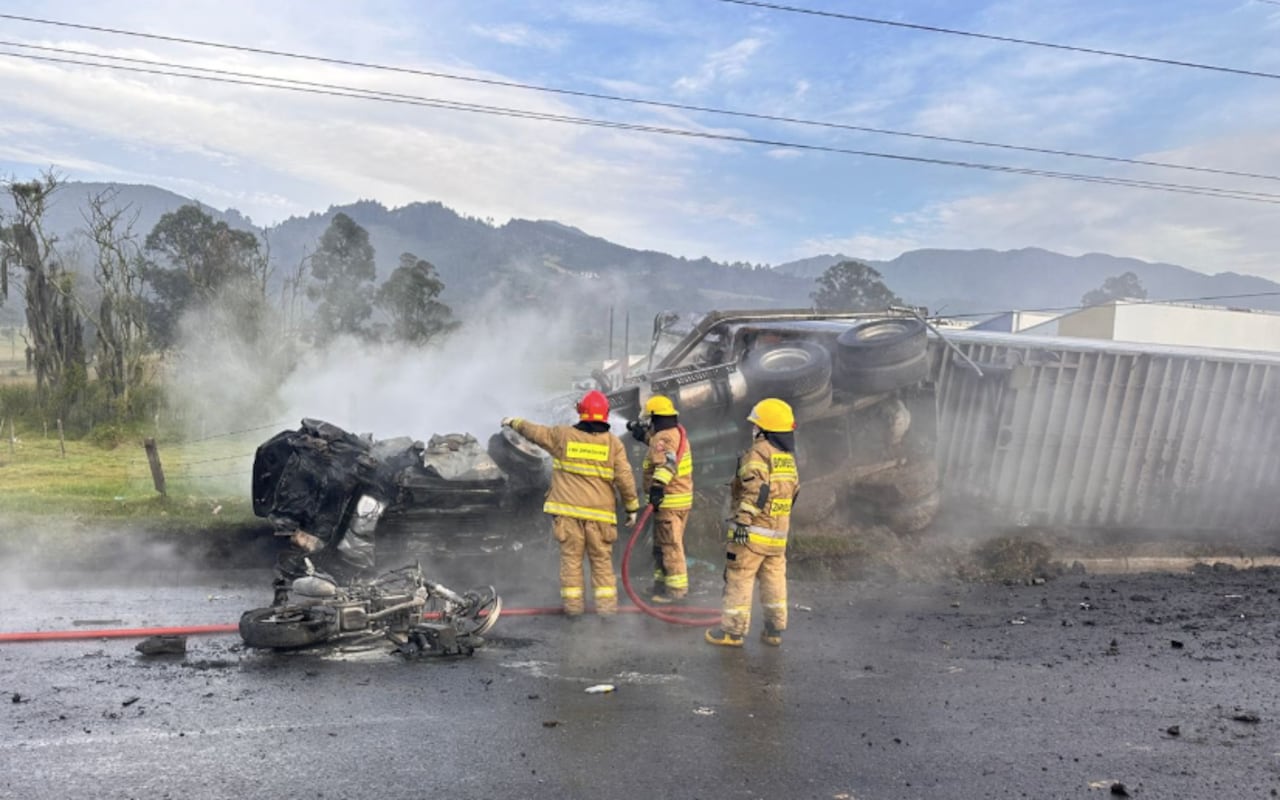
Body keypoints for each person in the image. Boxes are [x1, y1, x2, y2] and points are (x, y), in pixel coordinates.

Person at [502, 390, 640, 616]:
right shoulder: (613, 444)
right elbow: (625, 478)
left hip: (568, 516)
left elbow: (535, 432)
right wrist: (632, 508)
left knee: (571, 562)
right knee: (602, 563)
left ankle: (573, 609)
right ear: (605, 415)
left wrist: (513, 422)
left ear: (580, 412)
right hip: (600, 518)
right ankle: (606, 611)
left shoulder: (563, 436)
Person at [705, 398, 799, 648]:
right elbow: (794, 492)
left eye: (756, 426)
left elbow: (756, 490)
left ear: (765, 429)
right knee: (774, 581)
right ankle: (774, 630)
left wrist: (743, 523)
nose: (753, 430)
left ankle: (732, 633)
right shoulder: (787, 458)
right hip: (777, 535)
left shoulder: (758, 453)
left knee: (740, 577)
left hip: (752, 533)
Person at [627, 394, 693, 604]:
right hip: (678, 501)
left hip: (668, 503)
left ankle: (675, 591)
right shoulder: (673, 433)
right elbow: (665, 451)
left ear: (655, 417)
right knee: (662, 545)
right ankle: (661, 584)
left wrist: (657, 488)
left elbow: (667, 464)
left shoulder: (662, 438)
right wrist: (643, 437)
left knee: (669, 546)